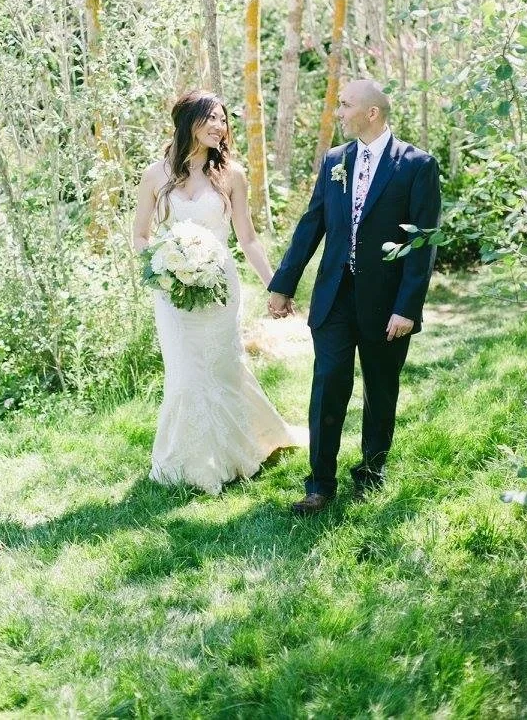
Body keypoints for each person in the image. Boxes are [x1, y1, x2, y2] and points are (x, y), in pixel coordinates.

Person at [268, 78, 441, 515]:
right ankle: (319, 485)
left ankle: (371, 472)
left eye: (345, 105)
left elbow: (422, 244)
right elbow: (312, 224)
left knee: (380, 389)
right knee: (328, 385)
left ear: (371, 113)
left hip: (386, 303)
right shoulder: (335, 161)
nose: (339, 113)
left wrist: (407, 307)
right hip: (334, 296)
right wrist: (284, 284)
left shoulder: (417, 165)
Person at [133, 89, 304, 495]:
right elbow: (140, 235)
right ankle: (189, 461)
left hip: (219, 287)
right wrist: (162, 265)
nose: (219, 126)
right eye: (211, 118)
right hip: (172, 290)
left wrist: (277, 286)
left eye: (223, 120)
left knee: (223, 366)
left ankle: (234, 453)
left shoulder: (232, 175)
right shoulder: (155, 175)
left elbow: (248, 238)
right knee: (184, 372)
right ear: (187, 121)